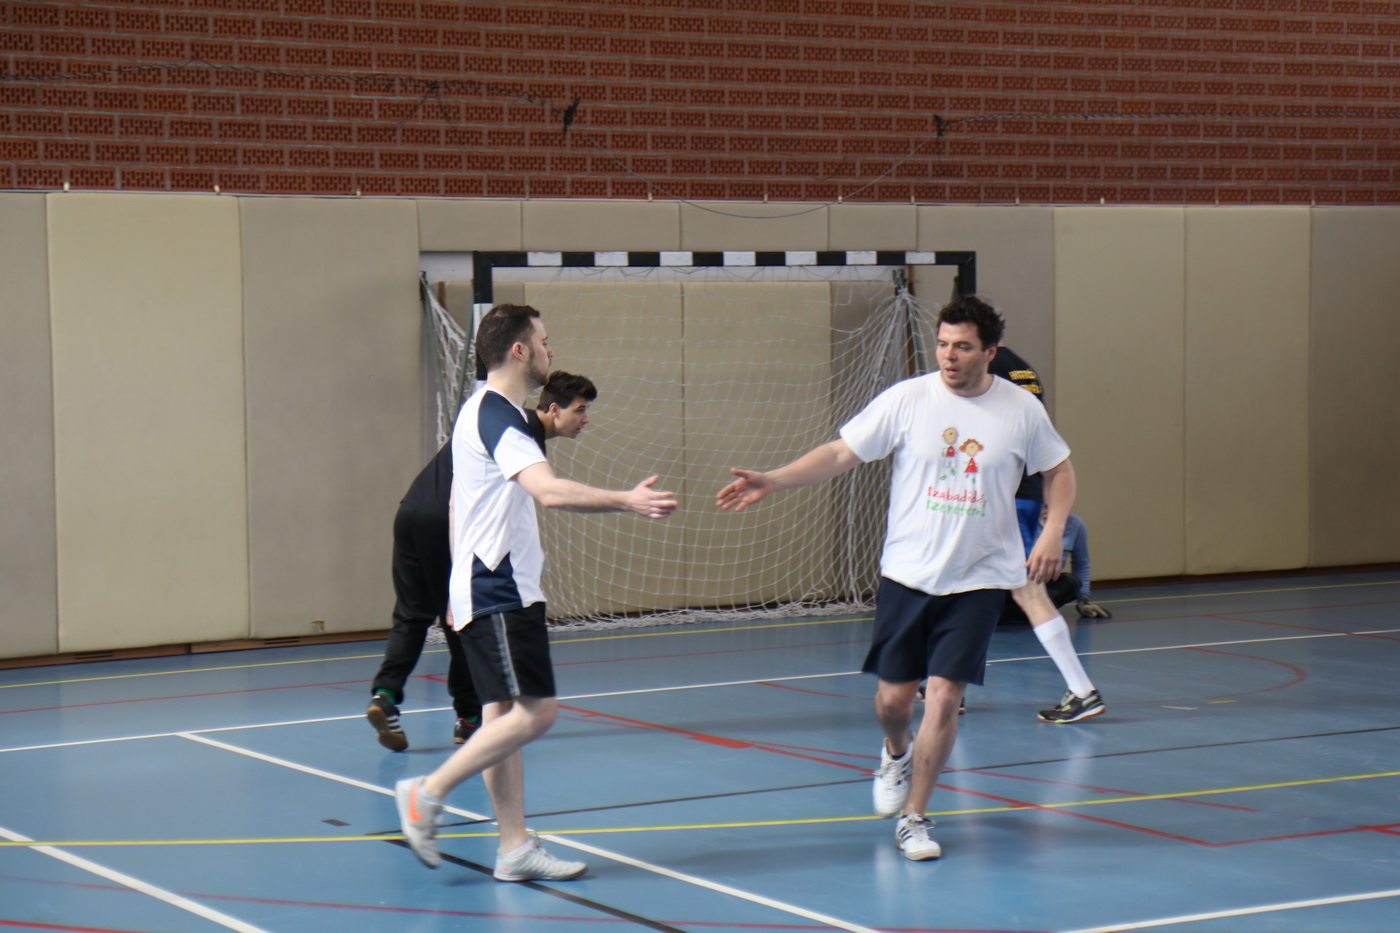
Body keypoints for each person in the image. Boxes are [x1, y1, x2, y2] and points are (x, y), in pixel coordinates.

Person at [717, 295, 1074, 862]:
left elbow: (1058, 469)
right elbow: (841, 453)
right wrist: (774, 479)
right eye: (943, 344)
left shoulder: (1021, 409)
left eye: (963, 347)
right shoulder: (908, 399)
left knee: (945, 697)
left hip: (980, 577)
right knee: (893, 700)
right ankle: (894, 751)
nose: (949, 356)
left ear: (990, 352)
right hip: (909, 574)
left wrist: (1052, 531)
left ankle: (915, 818)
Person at [395, 304, 676, 882]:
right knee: (536, 711)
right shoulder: (497, 415)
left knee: (500, 719)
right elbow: (547, 491)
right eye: (545, 341)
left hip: (486, 586)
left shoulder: (489, 412)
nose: (552, 349)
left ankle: (514, 848)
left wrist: (455, 585)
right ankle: (428, 792)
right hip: (496, 587)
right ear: (519, 350)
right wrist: (626, 499)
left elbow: (464, 504)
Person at [365, 372, 600, 752]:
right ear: (555, 409)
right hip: (444, 522)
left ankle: (385, 695)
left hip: (411, 512)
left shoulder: (497, 417)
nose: (586, 419)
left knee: (411, 615)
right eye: (580, 410)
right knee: (464, 620)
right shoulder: (518, 428)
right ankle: (469, 718)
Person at [987, 345, 1107, 724]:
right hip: (1009, 493)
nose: (951, 354)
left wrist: (1053, 527)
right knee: (967, 591)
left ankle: (1082, 690)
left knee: (1028, 591)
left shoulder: (995, 372)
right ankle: (947, 685)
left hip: (1008, 494)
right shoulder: (1022, 368)